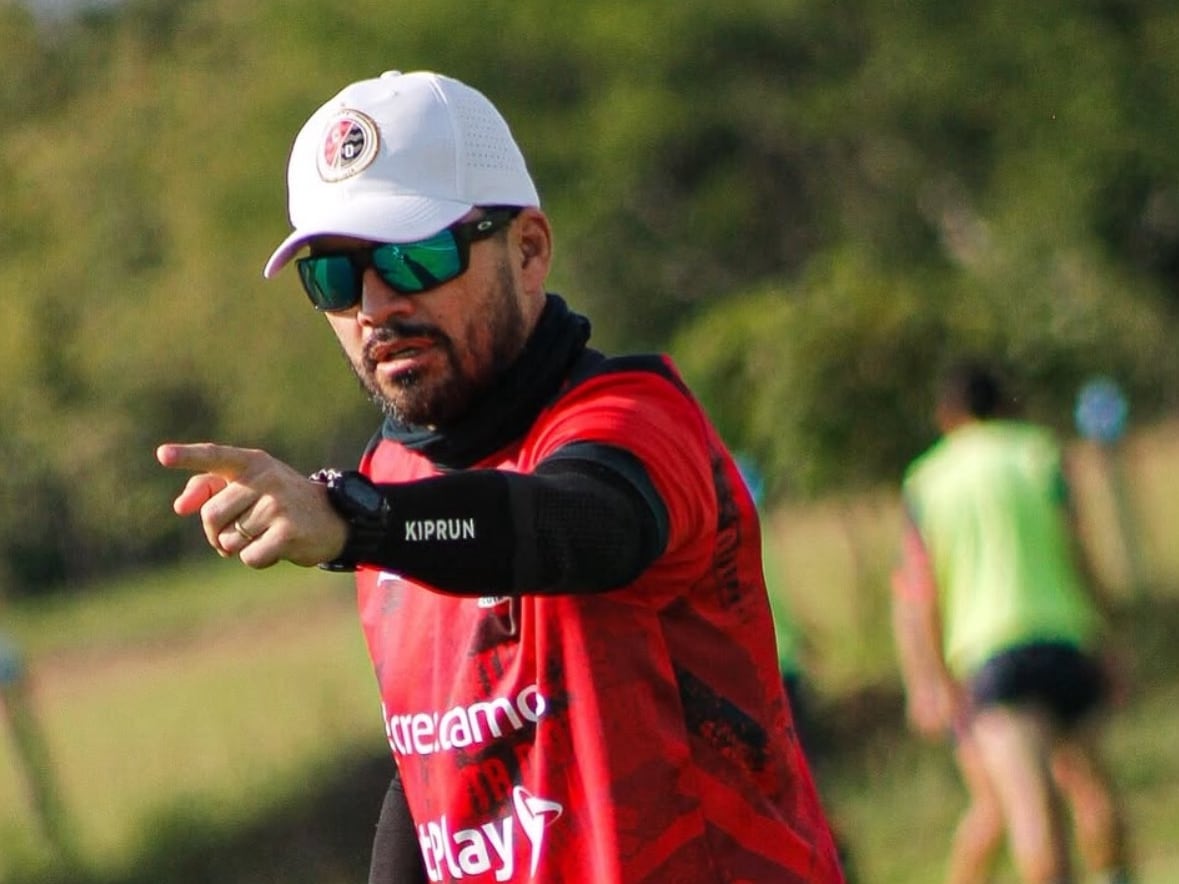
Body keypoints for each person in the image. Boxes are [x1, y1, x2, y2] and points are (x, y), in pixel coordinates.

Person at [156, 69, 844, 883]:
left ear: (527, 250)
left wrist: (361, 524)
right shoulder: (390, 478)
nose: (375, 306)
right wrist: (371, 517)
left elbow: (578, 525)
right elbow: (436, 773)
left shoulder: (633, 418)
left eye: (414, 256)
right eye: (335, 276)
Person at [891, 360, 1134, 884]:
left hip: (991, 655)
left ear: (947, 416)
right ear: (1004, 405)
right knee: (1094, 791)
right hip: (1066, 637)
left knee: (1031, 810)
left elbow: (923, 593)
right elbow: (1080, 552)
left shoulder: (928, 480)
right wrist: (1106, 638)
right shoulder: (1040, 453)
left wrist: (935, 677)